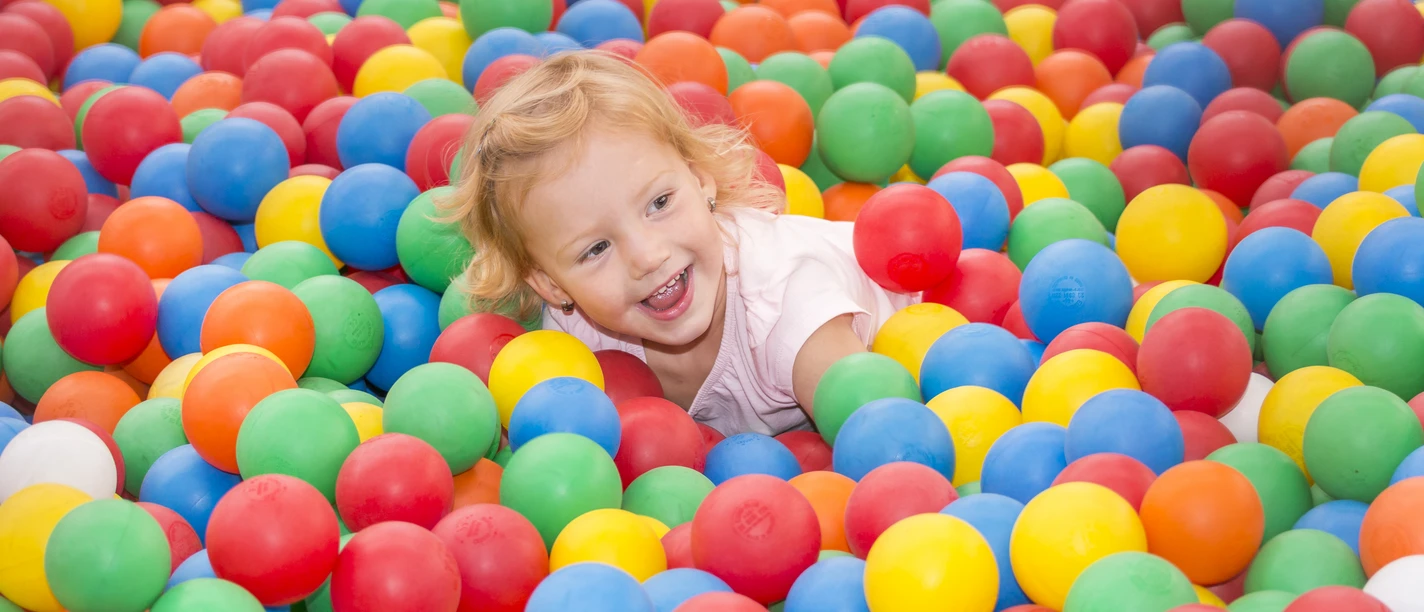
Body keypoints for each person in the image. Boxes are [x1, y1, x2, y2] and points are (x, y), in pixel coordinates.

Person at [443, 51, 919, 437]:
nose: (647, 256)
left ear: (699, 179)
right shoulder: (574, 341)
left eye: (659, 203)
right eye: (596, 250)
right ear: (552, 285)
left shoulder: (783, 305)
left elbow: (880, 431)